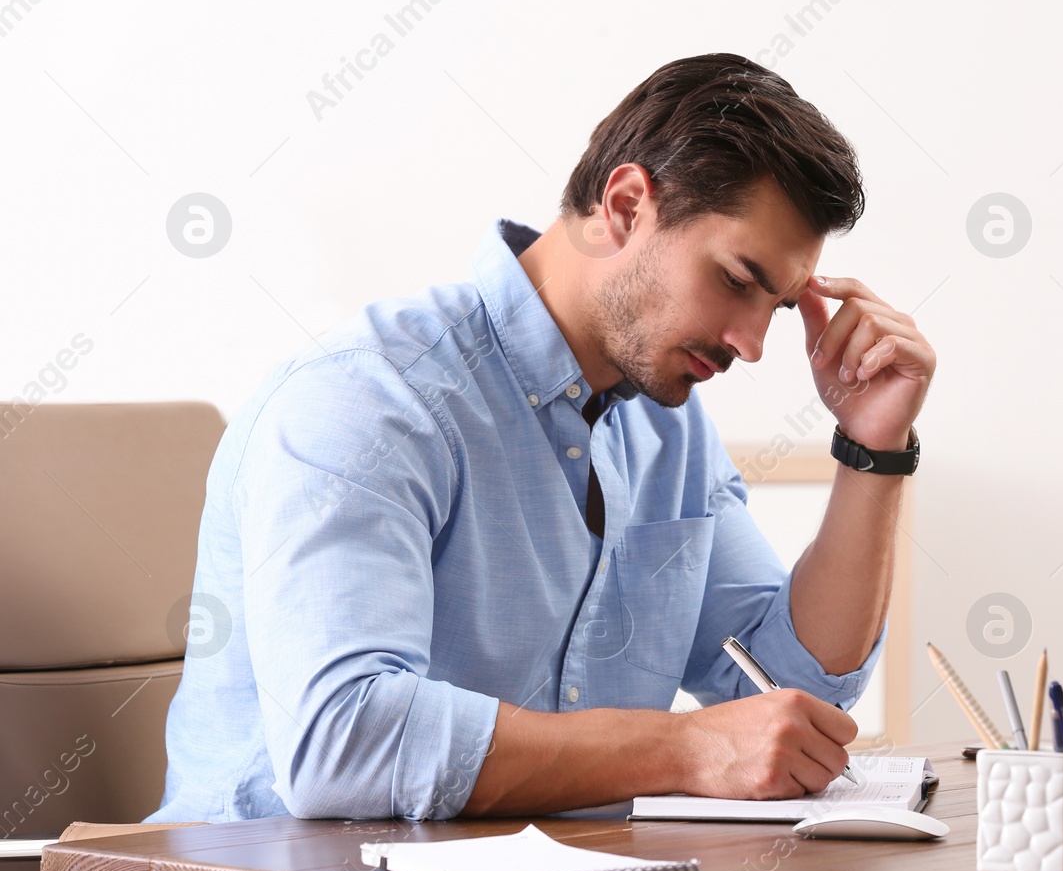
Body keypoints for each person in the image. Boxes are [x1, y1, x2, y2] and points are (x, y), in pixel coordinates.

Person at [149, 53, 936, 822]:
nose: (754, 343)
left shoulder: (669, 432)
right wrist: (681, 748)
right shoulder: (368, 397)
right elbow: (344, 742)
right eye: (737, 279)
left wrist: (873, 449)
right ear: (626, 206)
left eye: (779, 303)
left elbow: (782, 696)